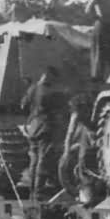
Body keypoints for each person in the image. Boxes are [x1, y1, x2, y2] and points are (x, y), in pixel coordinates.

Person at [20, 67, 66, 200]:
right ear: (50, 77)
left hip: (33, 127)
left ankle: (32, 190)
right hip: (45, 128)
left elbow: (23, 105)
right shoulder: (49, 92)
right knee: (43, 160)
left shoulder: (32, 89)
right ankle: (38, 191)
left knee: (34, 160)